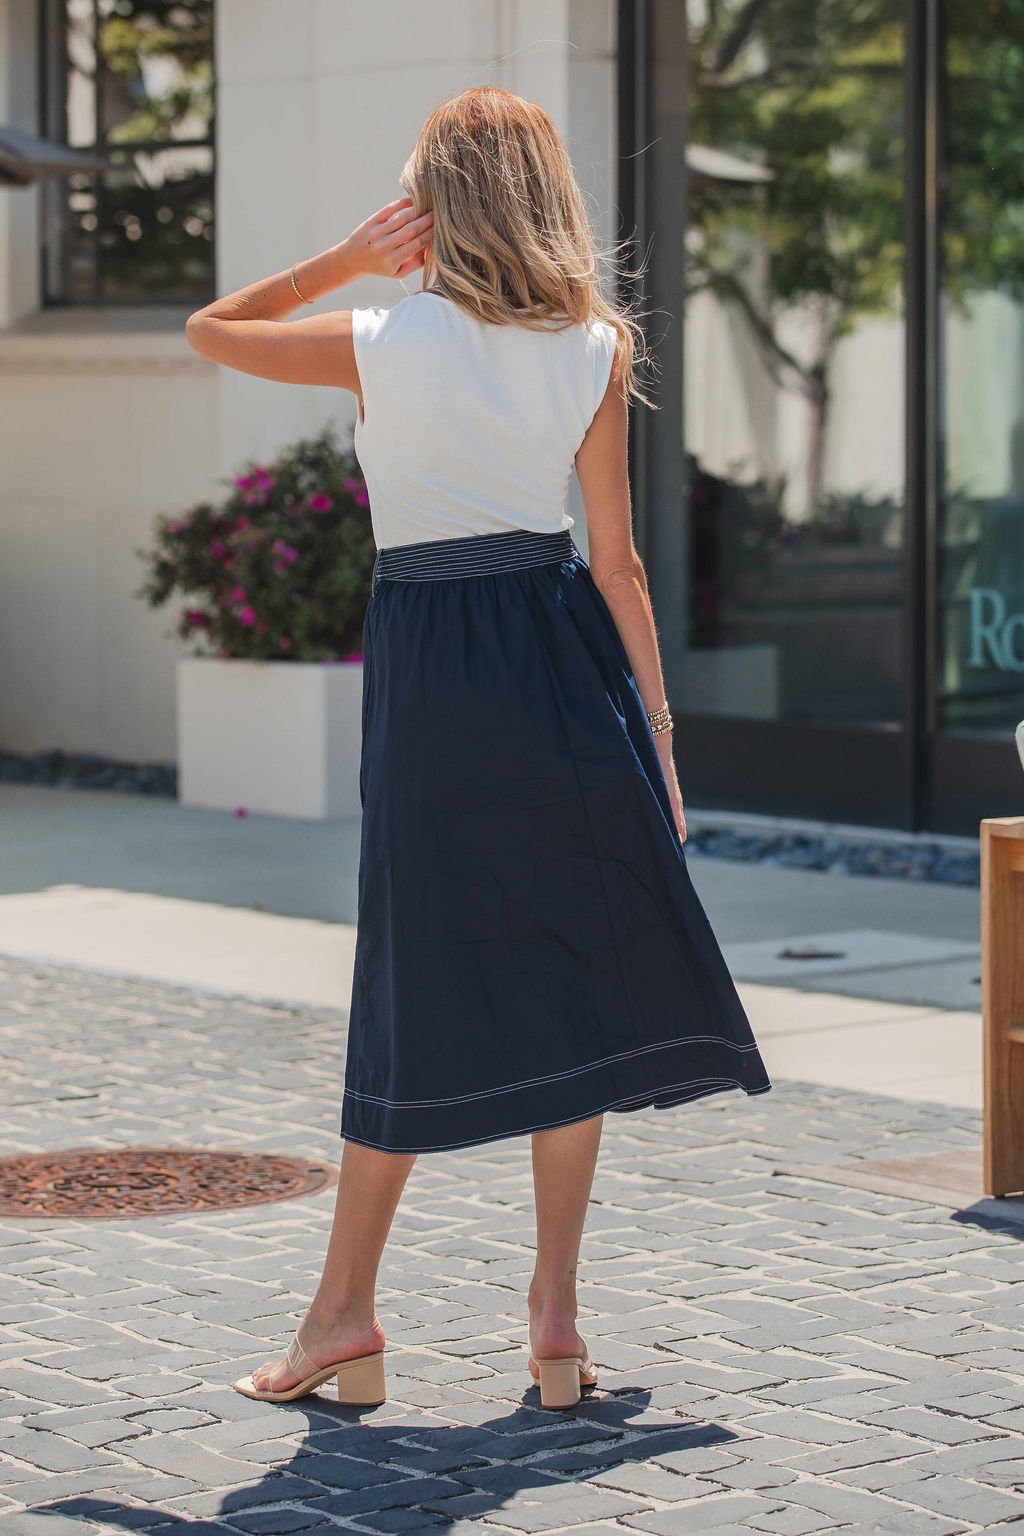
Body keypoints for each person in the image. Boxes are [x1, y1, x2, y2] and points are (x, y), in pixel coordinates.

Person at [186, 84, 772, 1414]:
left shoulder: (386, 337)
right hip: (566, 666)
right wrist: (661, 743)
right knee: (576, 969)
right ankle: (556, 1322)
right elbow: (618, 565)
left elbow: (210, 330)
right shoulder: (598, 345)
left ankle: (345, 1318)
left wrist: (344, 255)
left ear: (435, 206)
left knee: (410, 980)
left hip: (440, 672)